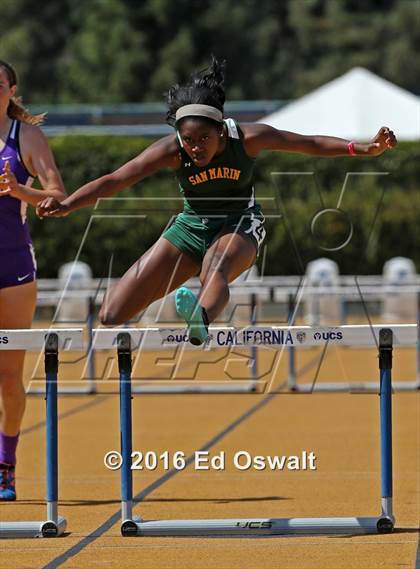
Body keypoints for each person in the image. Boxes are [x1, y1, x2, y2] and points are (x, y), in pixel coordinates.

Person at [37, 57, 396, 346]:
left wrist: (362, 148)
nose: (195, 148)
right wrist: (68, 204)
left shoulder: (249, 138)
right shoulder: (172, 151)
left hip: (239, 223)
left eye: (203, 139)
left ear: (221, 129)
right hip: (191, 225)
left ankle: (201, 319)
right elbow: (116, 179)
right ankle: (193, 293)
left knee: (216, 265)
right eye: (188, 140)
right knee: (112, 314)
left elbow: (308, 144)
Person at [0, 60, 67, 500]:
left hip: (11, 267)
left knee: (8, 374)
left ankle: (5, 465)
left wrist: (21, 192)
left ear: (11, 89)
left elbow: (58, 194)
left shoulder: (26, 136)